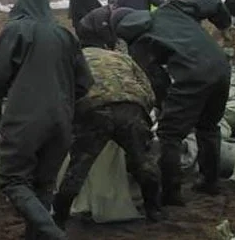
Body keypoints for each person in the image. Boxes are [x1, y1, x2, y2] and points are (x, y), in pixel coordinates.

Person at [0, 0, 92, 240]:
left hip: (25, 118)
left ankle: (52, 233)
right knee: (44, 182)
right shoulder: (65, 35)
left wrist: (2, 94)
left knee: (13, 180)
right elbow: (84, 83)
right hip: (61, 120)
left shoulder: (18, 30)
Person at [112, 0, 233, 206]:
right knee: (209, 126)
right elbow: (213, 2)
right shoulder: (171, 9)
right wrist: (224, 26)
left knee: (169, 134)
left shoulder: (139, 43)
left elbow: (156, 80)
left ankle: (171, 193)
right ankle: (210, 181)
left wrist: (163, 106)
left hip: (192, 75)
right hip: (221, 66)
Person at [53, 47, 162, 226]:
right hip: (131, 108)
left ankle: (59, 218)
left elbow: (63, 91)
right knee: (143, 161)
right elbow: (148, 90)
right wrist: (143, 116)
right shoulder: (121, 57)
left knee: (78, 168)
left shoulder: (71, 57)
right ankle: (154, 210)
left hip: (94, 109)